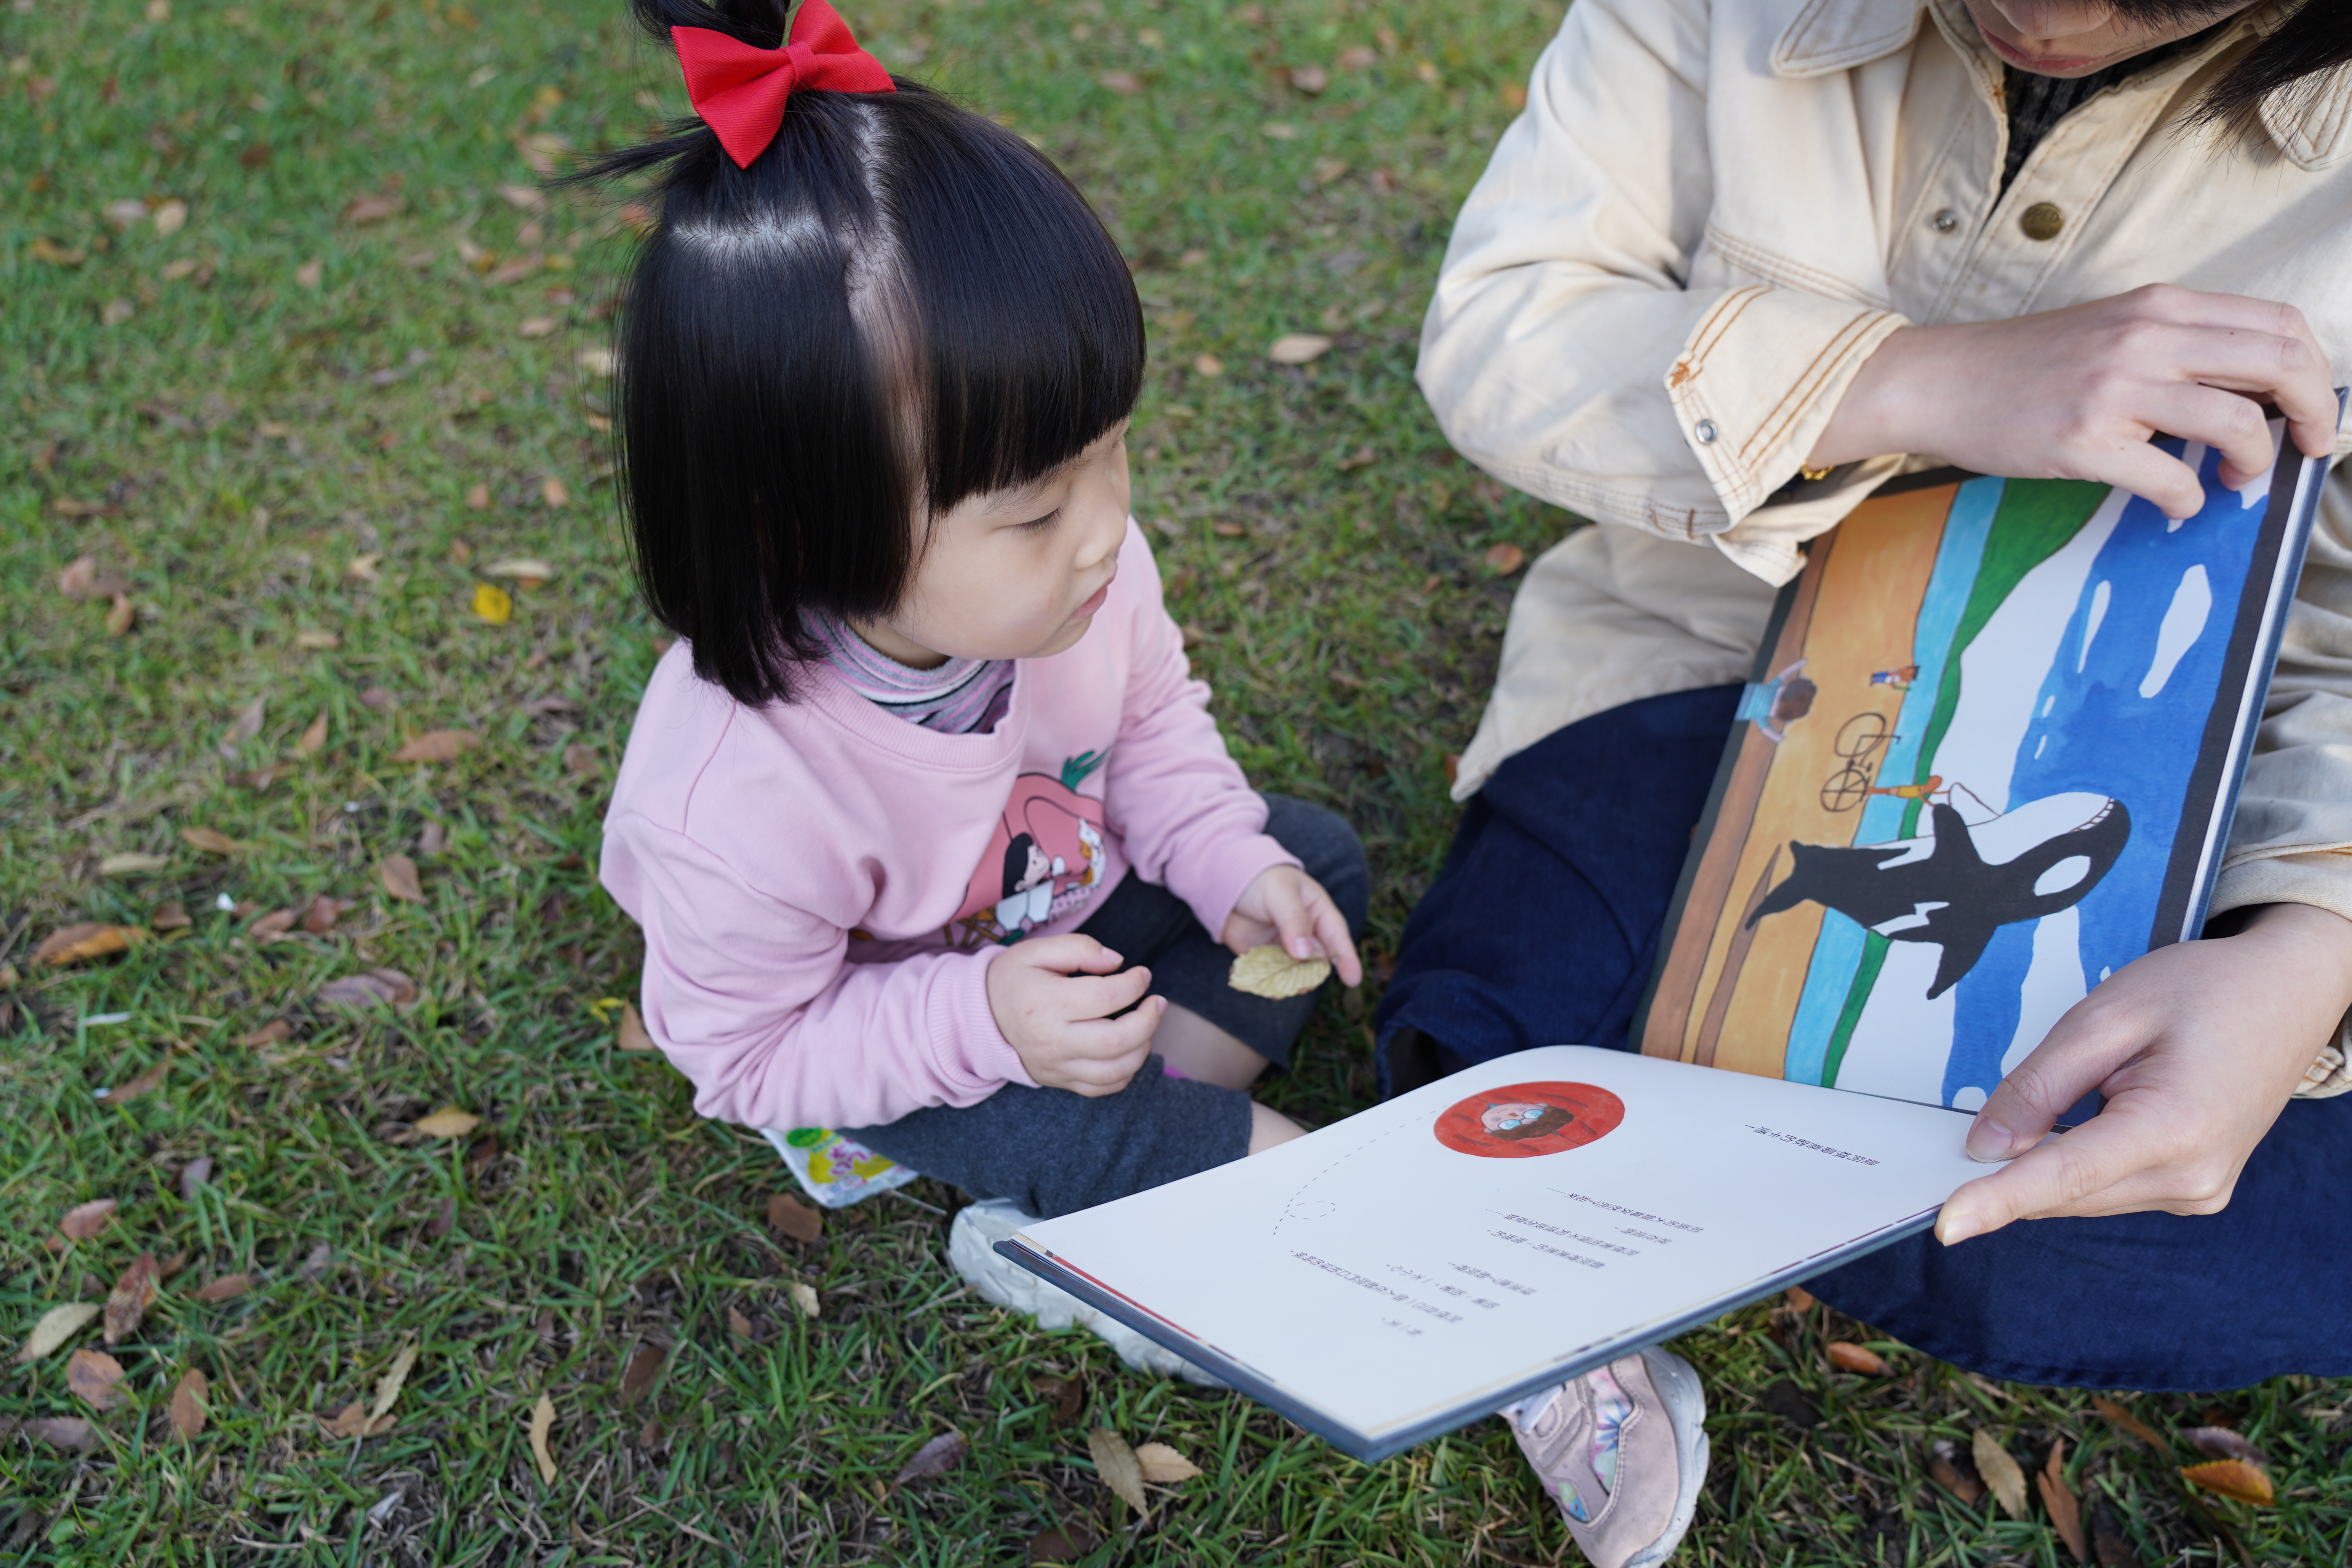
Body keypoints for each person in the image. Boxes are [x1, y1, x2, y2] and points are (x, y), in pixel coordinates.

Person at [1387, 3, 2352, 1563]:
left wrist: (2314, 939)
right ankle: (1655, 1202)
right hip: (1712, 662)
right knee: (1508, 1004)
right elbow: (1509, 324)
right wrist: (1903, 381)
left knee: (2253, 1198)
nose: (2052, 19)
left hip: (2215, 767)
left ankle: (1701, 1189)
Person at [588, 0, 1367, 1371]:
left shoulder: (1087, 575)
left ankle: (1088, 1214)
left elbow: (1153, 729)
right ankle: (1142, 1164)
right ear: (796, 526)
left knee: (1310, 866)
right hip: (900, 1033)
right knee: (1113, 1115)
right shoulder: (736, 795)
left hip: (1060, 928)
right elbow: (750, 1057)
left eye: (1113, 453)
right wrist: (988, 1019)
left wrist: (1228, 860)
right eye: (1031, 510)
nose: (1106, 530)